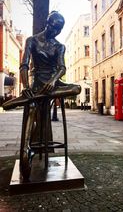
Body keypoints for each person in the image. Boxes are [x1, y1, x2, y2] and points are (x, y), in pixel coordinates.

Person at [3, 11, 81, 179]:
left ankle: (37, 97)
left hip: (53, 85)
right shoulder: (32, 40)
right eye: (55, 27)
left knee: (76, 89)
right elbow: (24, 65)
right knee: (31, 105)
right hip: (37, 84)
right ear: (48, 23)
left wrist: (53, 81)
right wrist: (26, 86)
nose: (56, 32)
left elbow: (62, 68)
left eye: (60, 29)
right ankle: (26, 149)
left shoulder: (60, 46)